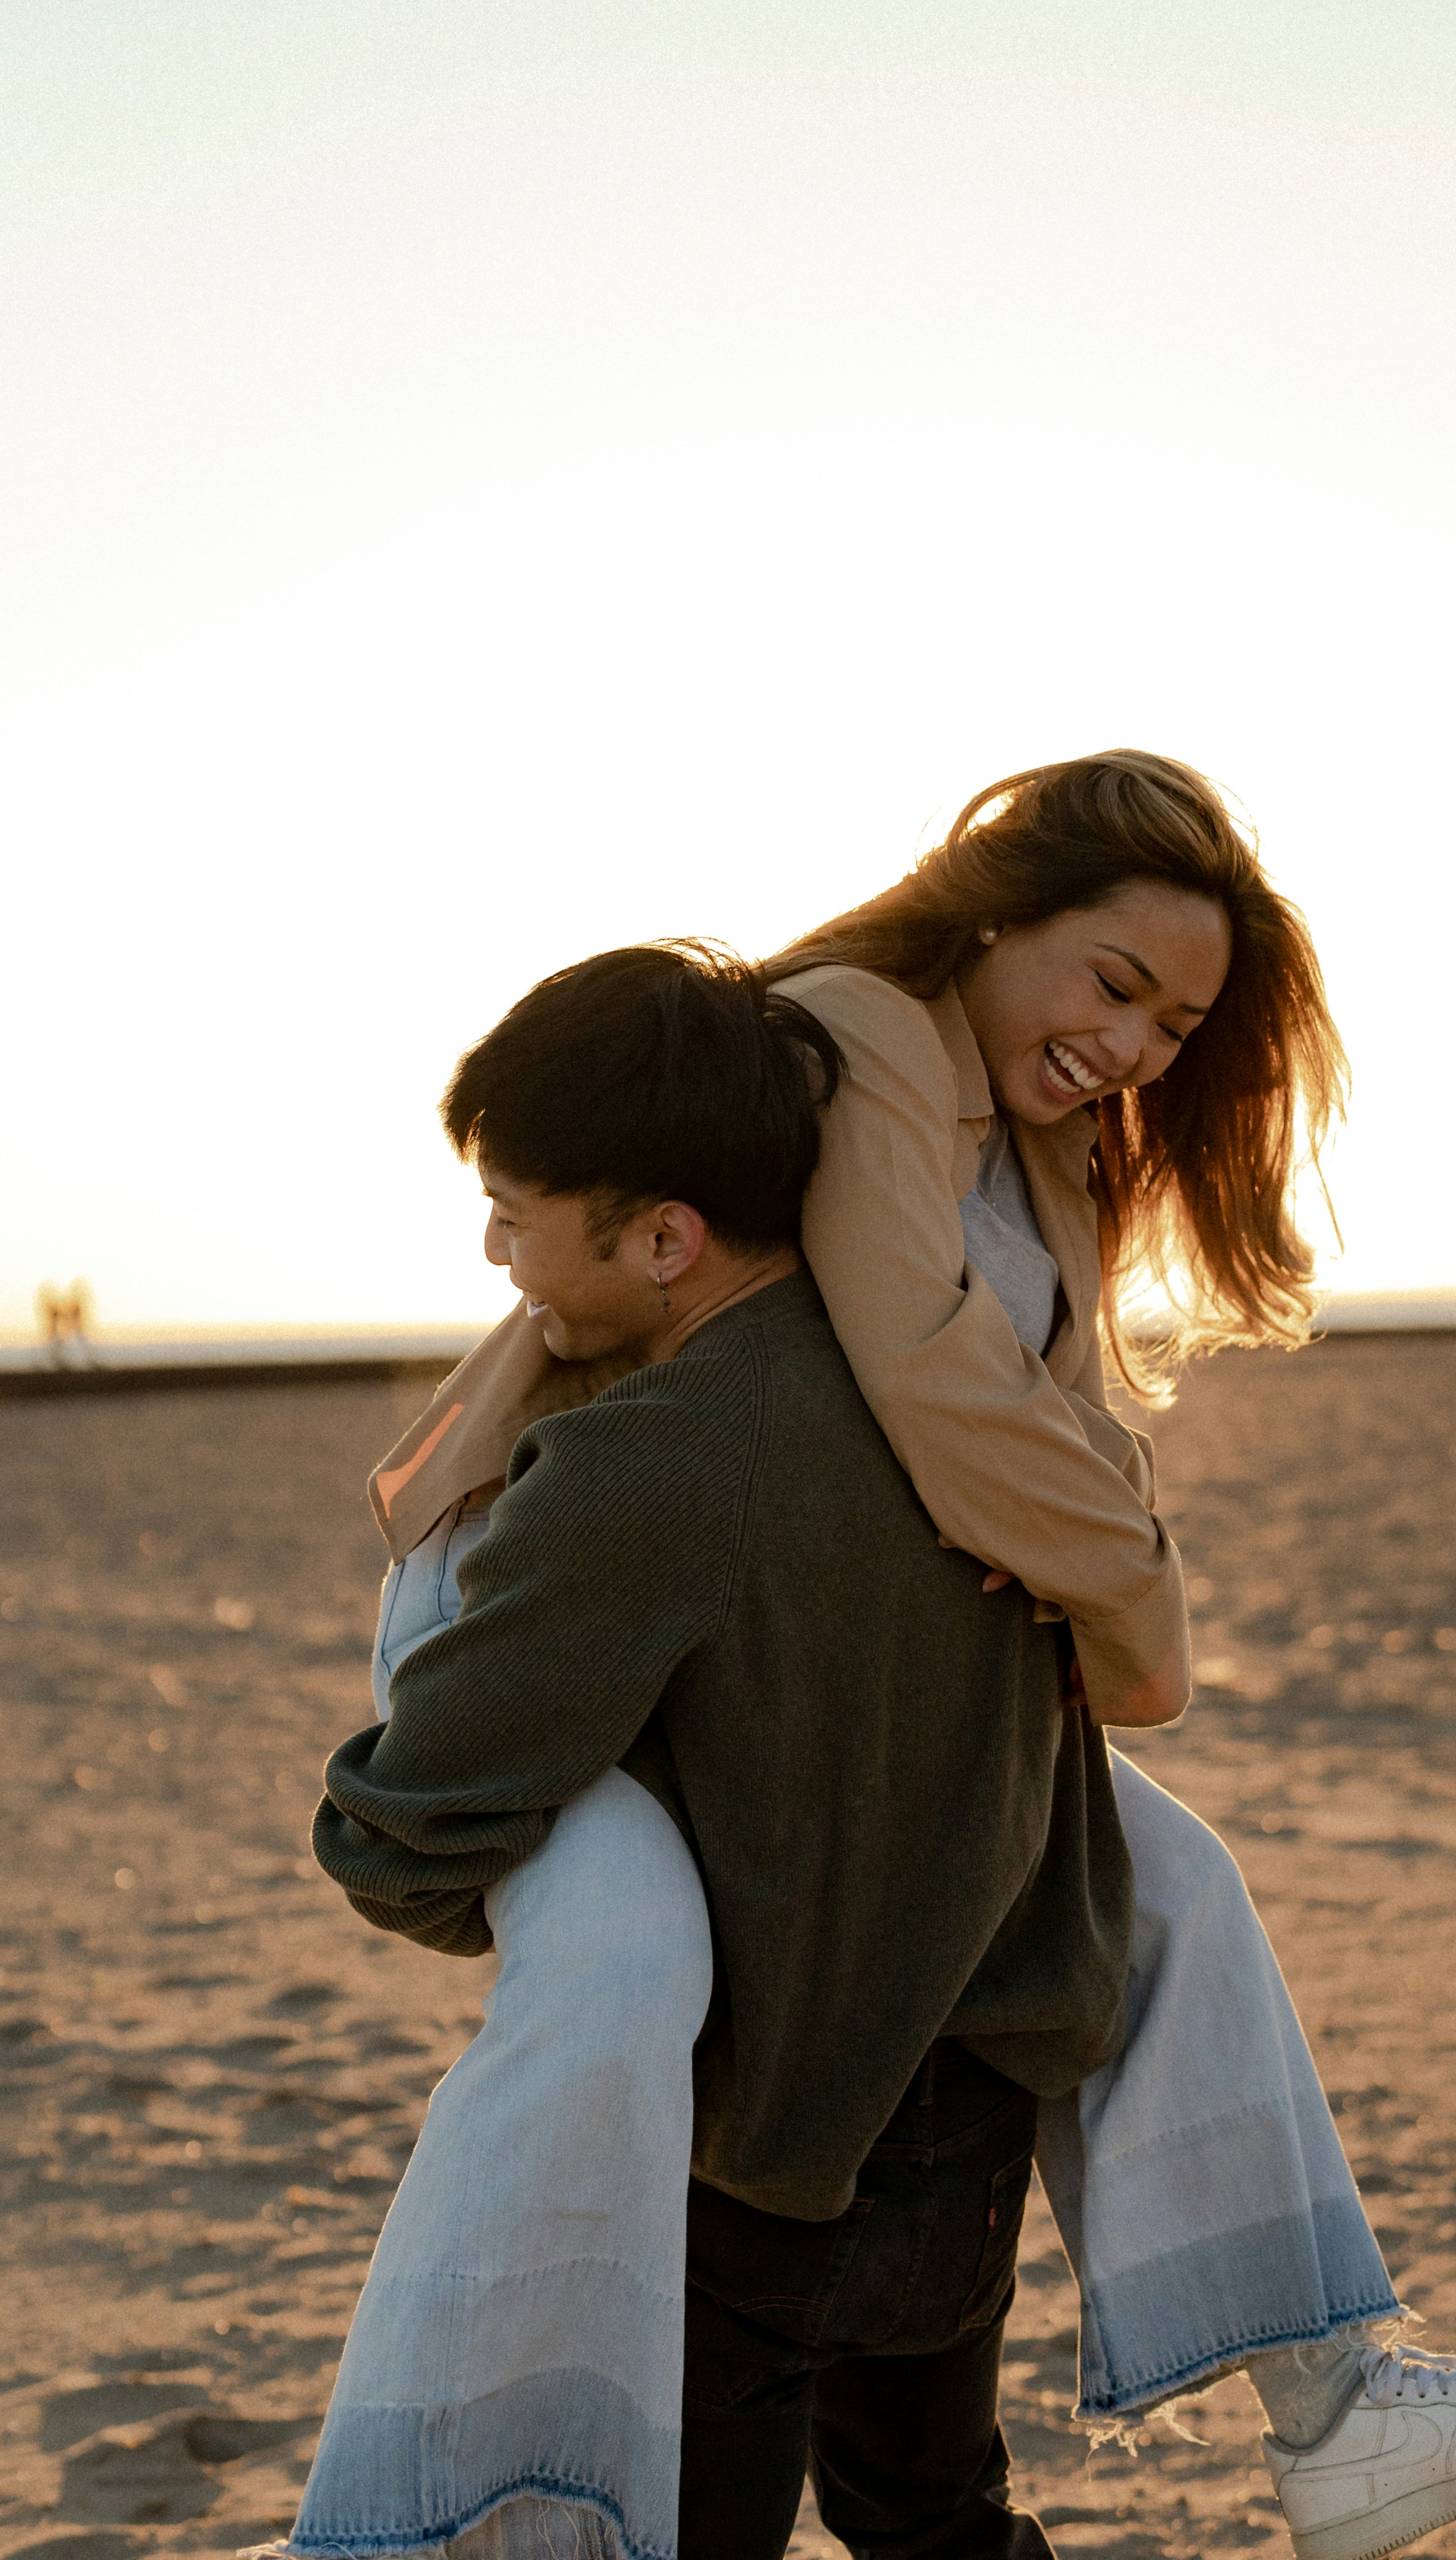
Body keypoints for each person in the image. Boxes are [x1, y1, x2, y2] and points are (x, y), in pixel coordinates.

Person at [294, 753, 1456, 2560]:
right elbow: (929, 1382)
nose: (1141, 1042)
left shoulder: (1041, 1136)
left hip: (734, 1633)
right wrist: (1122, 1607)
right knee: (616, 1982)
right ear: (996, 915)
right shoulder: (848, 1045)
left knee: (1165, 1896)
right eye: (1115, 983)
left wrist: (1066, 1564)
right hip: (586, 1620)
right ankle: (416, 2504)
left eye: (1178, 1018)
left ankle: (1335, 2395)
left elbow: (1045, 1412)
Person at [313, 943, 1134, 2558]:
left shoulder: (650, 1464)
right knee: (936, 2510)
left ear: (666, 1239)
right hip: (971, 2125)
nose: (496, 1251)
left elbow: (405, 1833)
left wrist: (581, 1884)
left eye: (517, 1212)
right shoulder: (953, 1397)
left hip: (767, 2160)